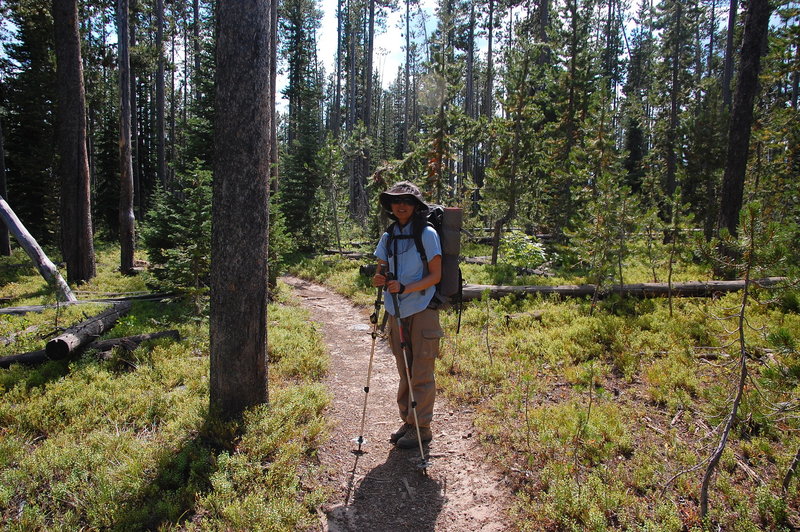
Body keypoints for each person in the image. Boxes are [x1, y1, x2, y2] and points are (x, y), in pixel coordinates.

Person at [372, 181, 444, 449]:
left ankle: (422, 427)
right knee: (404, 368)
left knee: (421, 369)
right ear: (390, 205)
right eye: (396, 200)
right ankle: (408, 420)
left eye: (407, 201)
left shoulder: (427, 234)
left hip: (422, 308)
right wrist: (379, 279)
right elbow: (379, 271)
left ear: (416, 206)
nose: (401, 205)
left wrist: (405, 287)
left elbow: (436, 276)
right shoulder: (388, 236)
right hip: (396, 310)